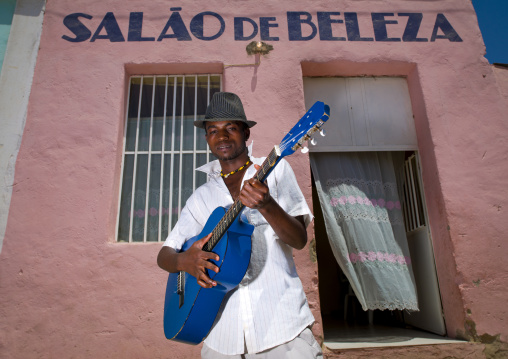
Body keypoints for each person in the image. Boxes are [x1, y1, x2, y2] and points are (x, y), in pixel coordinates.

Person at [157, 92, 322, 359]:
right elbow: (165, 255)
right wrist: (185, 261)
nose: (221, 137)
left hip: (283, 330)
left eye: (230, 128)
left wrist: (267, 205)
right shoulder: (201, 197)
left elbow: (299, 239)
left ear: (246, 133)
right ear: (207, 138)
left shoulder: (275, 172)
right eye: (213, 131)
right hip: (221, 337)